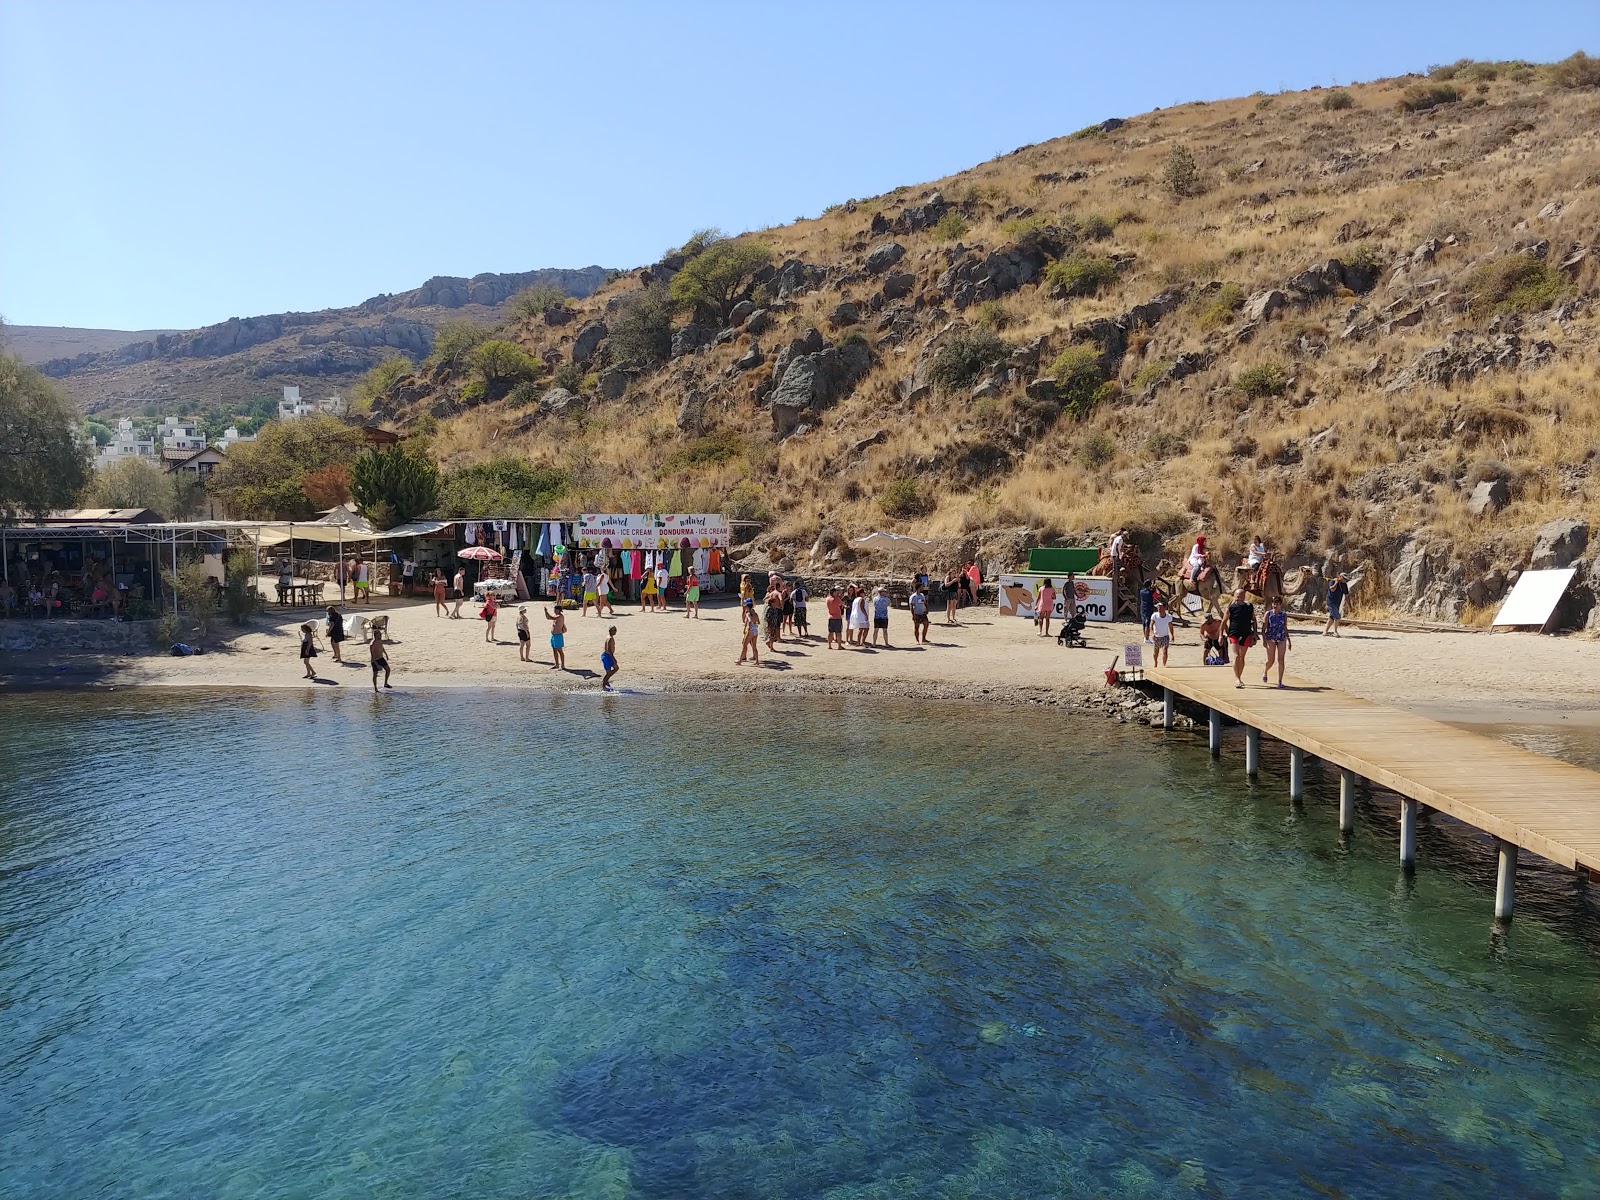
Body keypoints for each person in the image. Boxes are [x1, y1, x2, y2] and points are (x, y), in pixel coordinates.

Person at [1226, 589, 1257, 688]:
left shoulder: (1249, 607)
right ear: (1234, 596)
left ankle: (1240, 676)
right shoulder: (1231, 607)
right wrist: (1221, 635)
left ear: (1244, 596)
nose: (1239, 598)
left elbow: (1254, 620)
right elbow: (1223, 621)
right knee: (1236, 656)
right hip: (1234, 633)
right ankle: (1237, 679)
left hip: (1246, 633)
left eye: (1241, 596)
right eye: (1237, 596)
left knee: (1242, 657)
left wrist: (1255, 633)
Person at [1261, 596, 1291, 688]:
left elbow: (1285, 627)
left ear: (1280, 605)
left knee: (1281, 659)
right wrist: (1264, 640)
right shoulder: (1268, 614)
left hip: (1281, 637)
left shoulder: (1283, 615)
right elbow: (1263, 628)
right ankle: (1265, 671)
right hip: (1270, 638)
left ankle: (1280, 681)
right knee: (1271, 660)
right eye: (1274, 603)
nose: (1275, 605)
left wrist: (1289, 639)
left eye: (1277, 604)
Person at [1148, 601, 1174, 667]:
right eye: (1158, 608)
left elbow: (1170, 626)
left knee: (1165, 650)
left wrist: (1172, 635)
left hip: (1165, 636)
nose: (1159, 609)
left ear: (1165, 608)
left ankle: (1164, 665)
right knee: (1156, 651)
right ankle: (1155, 663)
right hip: (1156, 636)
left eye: (1161, 607)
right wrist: (1152, 633)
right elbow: (1151, 625)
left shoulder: (1168, 617)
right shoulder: (1154, 616)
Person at [542, 604, 567, 670]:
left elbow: (550, 617)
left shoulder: (560, 616)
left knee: (560, 651)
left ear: (559, 610)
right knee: (554, 650)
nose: (554, 611)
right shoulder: (556, 616)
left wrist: (546, 612)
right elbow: (548, 617)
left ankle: (563, 665)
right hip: (554, 635)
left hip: (558, 636)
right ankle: (556, 664)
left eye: (555, 610)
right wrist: (546, 612)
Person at [737, 598, 761, 665]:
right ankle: (757, 661)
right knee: (754, 646)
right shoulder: (755, 614)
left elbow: (749, 621)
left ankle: (740, 661)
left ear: (747, 606)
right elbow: (758, 622)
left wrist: (749, 627)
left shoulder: (748, 614)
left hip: (750, 630)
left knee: (744, 645)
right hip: (755, 630)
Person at [1324, 572, 1349, 636]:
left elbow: (1346, 595)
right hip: (1330, 601)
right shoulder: (1333, 581)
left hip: (1337, 602)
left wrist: (1349, 605)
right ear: (1340, 577)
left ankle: (1325, 631)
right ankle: (1335, 632)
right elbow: (1332, 589)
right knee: (1337, 616)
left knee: (1332, 617)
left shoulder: (1344, 585)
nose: (1345, 580)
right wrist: (1336, 582)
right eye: (1344, 578)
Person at [369, 623, 392, 692]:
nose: (380, 636)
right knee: (375, 674)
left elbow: (382, 647)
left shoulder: (380, 641)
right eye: (379, 635)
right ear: (375, 635)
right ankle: (375, 688)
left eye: (381, 635)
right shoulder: (372, 644)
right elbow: (372, 655)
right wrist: (376, 664)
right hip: (375, 660)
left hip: (381, 658)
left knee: (388, 669)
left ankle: (385, 683)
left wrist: (386, 654)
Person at [763, 579, 784, 650]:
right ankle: (777, 638)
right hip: (777, 611)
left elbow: (764, 599)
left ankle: (771, 644)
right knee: (777, 626)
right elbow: (781, 599)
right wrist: (782, 606)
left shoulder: (771, 593)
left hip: (773, 613)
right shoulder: (778, 593)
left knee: (773, 631)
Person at [601, 625, 620, 690]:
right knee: (616, 668)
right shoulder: (610, 638)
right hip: (607, 656)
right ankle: (604, 683)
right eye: (614, 630)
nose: (615, 632)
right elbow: (608, 649)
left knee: (609, 671)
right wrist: (613, 658)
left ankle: (606, 683)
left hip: (606, 656)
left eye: (615, 630)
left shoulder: (609, 637)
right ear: (610, 631)